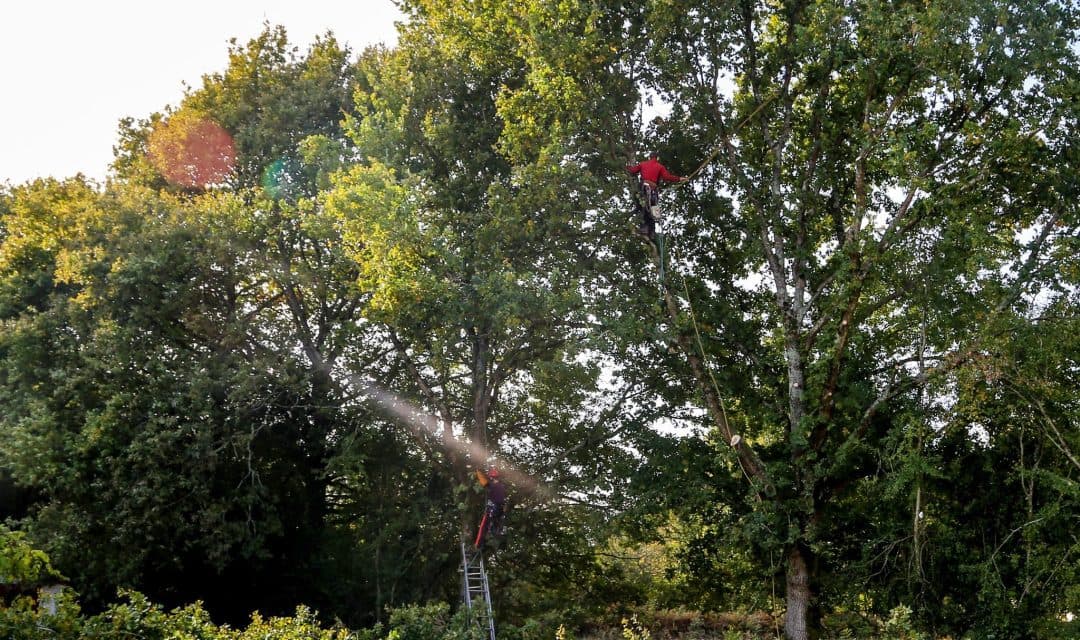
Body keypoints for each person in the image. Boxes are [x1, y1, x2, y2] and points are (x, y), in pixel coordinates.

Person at [626, 152, 686, 239]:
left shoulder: (643, 164)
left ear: (649, 157)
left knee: (644, 208)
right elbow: (667, 177)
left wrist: (625, 166)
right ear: (657, 158)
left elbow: (633, 170)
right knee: (653, 210)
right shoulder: (660, 166)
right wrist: (680, 178)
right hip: (653, 191)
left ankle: (645, 229)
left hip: (645, 188)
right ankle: (652, 232)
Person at [474, 467, 507, 547]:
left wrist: (477, 471)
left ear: (491, 478)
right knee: (495, 526)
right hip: (500, 511)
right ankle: (491, 539)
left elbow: (483, 481)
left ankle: (478, 545)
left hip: (492, 510)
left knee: (483, 527)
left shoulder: (491, 486)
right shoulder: (502, 486)